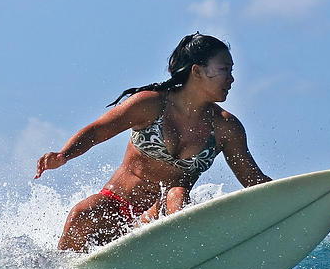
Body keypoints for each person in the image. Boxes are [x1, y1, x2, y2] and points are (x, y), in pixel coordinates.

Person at [35, 33, 271, 252]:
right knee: (80, 213)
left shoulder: (225, 128)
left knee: (176, 194)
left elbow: (254, 181)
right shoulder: (150, 105)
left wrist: (299, 199)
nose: (231, 78)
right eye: (225, 70)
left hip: (159, 219)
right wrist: (63, 155)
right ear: (197, 71)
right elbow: (98, 130)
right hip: (115, 207)